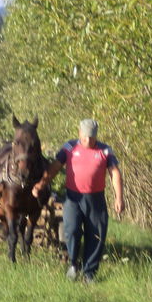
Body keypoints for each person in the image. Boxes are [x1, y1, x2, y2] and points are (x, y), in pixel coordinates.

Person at [32, 119, 124, 282]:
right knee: (72, 230)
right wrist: (41, 184)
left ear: (96, 136)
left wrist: (119, 197)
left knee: (96, 236)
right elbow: (55, 167)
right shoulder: (69, 147)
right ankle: (74, 264)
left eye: (92, 137)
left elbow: (114, 173)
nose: (88, 140)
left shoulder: (105, 150)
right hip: (73, 198)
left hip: (96, 200)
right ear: (79, 133)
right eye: (85, 137)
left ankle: (89, 273)